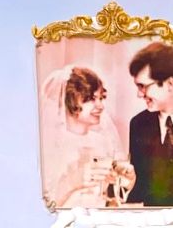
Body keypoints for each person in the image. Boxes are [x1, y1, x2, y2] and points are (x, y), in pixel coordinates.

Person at [40, 65, 134, 208]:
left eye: (101, 98)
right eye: (91, 99)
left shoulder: (103, 142)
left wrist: (125, 182)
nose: (100, 106)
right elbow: (43, 207)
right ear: (69, 99)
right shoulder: (50, 144)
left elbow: (107, 198)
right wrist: (72, 182)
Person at [126, 42, 173, 206]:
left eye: (143, 86)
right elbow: (139, 192)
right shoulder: (138, 125)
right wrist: (127, 185)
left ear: (170, 83)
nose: (139, 94)